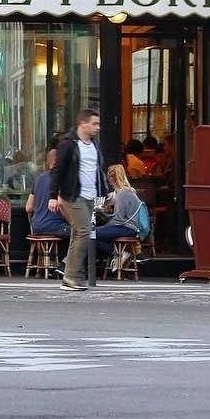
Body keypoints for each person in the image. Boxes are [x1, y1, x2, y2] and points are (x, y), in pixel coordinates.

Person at [48, 108, 108, 292]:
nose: (98, 127)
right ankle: (71, 277)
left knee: (78, 233)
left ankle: (73, 275)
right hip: (72, 195)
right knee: (83, 231)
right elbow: (57, 171)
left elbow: (98, 170)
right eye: (94, 124)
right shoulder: (69, 144)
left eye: (98, 124)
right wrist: (52, 196)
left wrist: (104, 193)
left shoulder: (95, 145)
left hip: (90, 196)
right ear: (83, 124)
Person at [94, 164, 146, 271]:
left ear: (113, 179)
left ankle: (119, 254)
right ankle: (117, 255)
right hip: (128, 227)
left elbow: (119, 219)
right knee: (94, 234)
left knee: (92, 234)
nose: (110, 184)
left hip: (128, 228)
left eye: (110, 181)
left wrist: (104, 223)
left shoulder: (123, 194)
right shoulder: (125, 192)